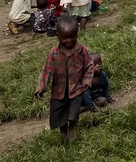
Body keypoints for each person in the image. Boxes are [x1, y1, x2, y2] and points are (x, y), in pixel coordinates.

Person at [35, 16, 94, 144]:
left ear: (77, 34)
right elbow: (46, 71)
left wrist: (86, 81)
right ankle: (63, 132)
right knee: (59, 113)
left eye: (72, 37)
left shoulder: (81, 50)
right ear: (58, 36)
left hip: (76, 89)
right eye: (64, 38)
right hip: (58, 91)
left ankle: (72, 127)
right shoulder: (54, 53)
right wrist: (41, 87)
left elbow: (89, 65)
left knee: (73, 111)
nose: (68, 41)